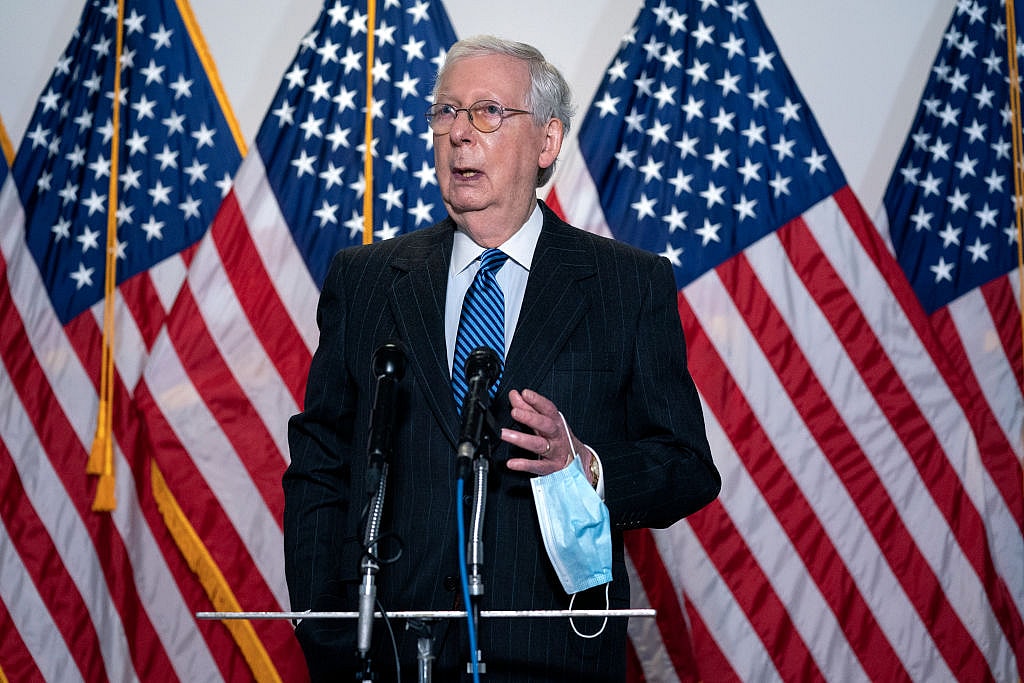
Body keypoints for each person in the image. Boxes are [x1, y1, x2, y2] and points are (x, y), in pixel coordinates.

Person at [283, 35, 721, 682]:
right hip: (391, 655)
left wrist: (587, 464)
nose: (459, 134)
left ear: (547, 141)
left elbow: (686, 467)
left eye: (488, 112)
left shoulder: (627, 285)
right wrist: (326, 627)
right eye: (445, 112)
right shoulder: (366, 279)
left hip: (553, 658)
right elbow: (321, 462)